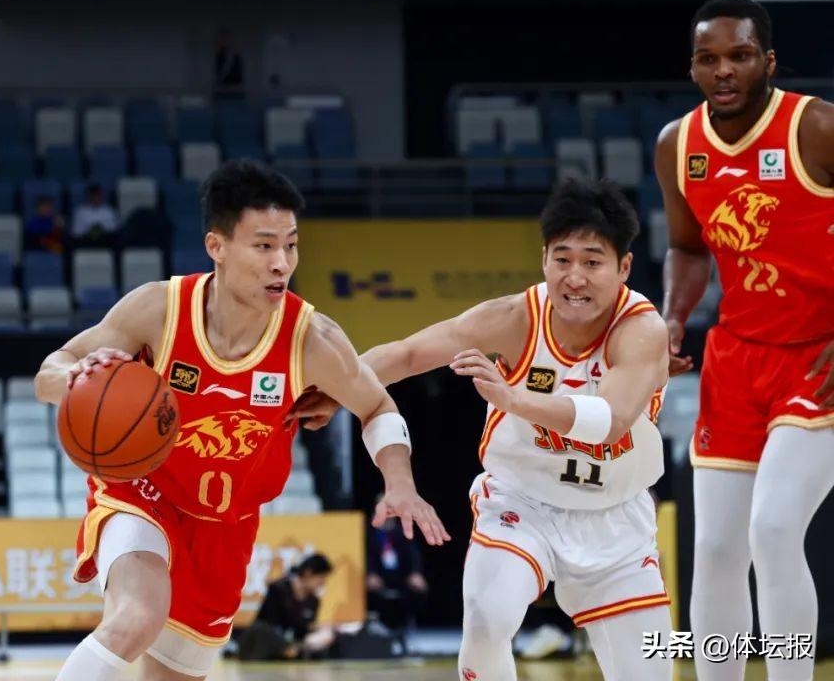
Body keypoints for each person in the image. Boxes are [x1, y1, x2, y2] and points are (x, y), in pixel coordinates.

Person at [34, 159, 449, 681]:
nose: (281, 263)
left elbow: (377, 407)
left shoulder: (312, 340)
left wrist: (400, 482)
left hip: (225, 526)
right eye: (264, 246)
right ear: (218, 246)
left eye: (291, 245)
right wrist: (77, 379)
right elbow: (49, 372)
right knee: (137, 616)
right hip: (142, 492)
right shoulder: (158, 310)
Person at [294, 177, 673, 681]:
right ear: (543, 259)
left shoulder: (642, 330)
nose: (575, 277)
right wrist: (340, 385)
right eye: (562, 259)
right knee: (488, 621)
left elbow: (613, 419)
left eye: (592, 262)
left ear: (623, 267)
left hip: (614, 518)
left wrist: (516, 399)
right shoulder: (515, 317)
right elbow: (409, 353)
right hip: (523, 503)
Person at [655, 0, 834, 681]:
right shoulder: (678, 144)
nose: (723, 70)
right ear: (693, 67)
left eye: (739, 55)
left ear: (770, 61)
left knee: (774, 529)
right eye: (708, 58)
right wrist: (673, 317)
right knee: (717, 550)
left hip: (816, 357)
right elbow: (687, 248)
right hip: (735, 358)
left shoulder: (815, 127)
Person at [238, 554, 336, 661]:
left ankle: (294, 651)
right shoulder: (278, 589)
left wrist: (315, 629)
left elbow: (302, 632)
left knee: (325, 636)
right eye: (321, 577)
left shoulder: (314, 601)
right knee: (259, 630)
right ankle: (290, 651)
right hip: (269, 639)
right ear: (308, 573)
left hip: (294, 643)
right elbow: (269, 622)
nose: (322, 583)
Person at [365, 494, 428, 633]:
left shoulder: (403, 531)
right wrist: (370, 574)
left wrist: (416, 573)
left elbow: (414, 554)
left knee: (418, 588)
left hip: (400, 578)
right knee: (369, 589)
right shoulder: (367, 532)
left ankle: (405, 625)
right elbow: (365, 555)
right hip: (377, 577)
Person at [71, 183, 119, 248]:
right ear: (88, 197)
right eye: (93, 196)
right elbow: (76, 232)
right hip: (86, 241)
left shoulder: (109, 211)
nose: (96, 198)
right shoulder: (80, 211)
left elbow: (114, 229)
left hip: (105, 240)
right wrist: (91, 231)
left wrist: (99, 229)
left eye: (98, 195)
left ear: (102, 196)